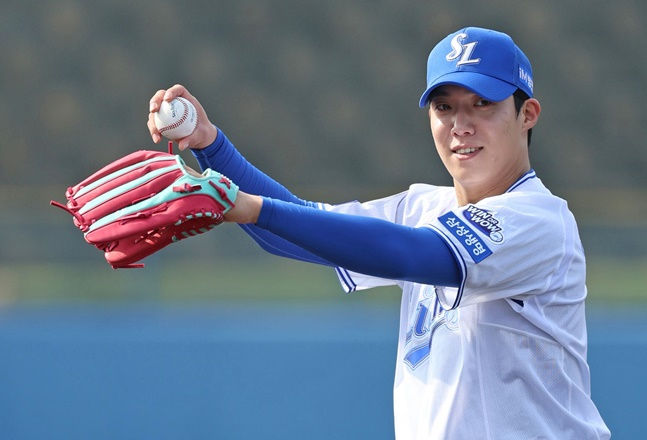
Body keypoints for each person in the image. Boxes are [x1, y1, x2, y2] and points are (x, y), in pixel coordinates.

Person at [148, 27, 610, 440]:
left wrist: (251, 207)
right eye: (444, 107)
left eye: (482, 104)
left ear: (527, 113)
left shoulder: (539, 219)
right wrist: (211, 146)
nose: (460, 126)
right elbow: (296, 228)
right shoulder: (423, 207)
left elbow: (414, 253)